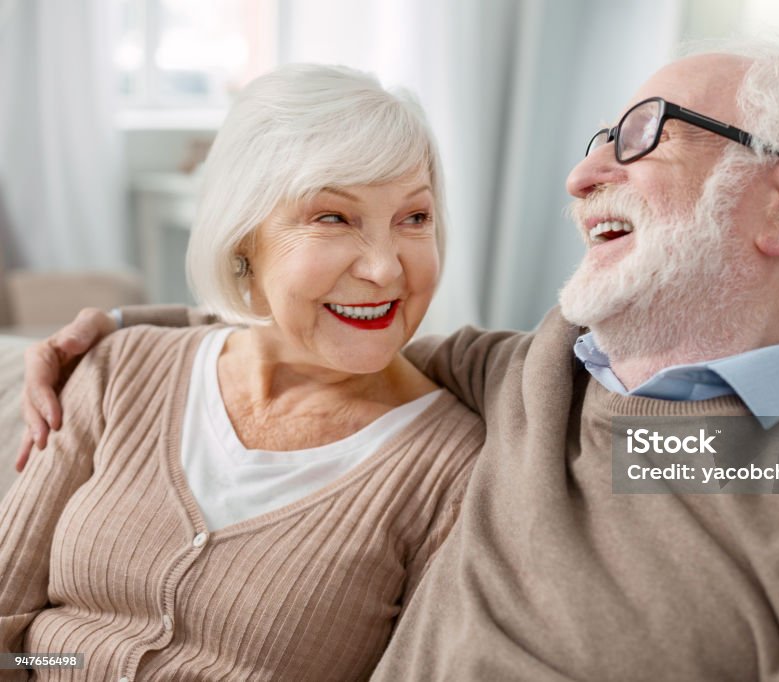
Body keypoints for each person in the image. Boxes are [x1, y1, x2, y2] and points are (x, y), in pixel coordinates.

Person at [16, 40, 779, 680]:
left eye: (640, 138)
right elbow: (317, 336)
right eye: (596, 141)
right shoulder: (538, 378)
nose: (583, 176)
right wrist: (121, 335)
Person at [0, 64, 484, 680]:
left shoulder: (453, 469)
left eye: (414, 219)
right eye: (334, 218)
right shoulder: (118, 369)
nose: (387, 270)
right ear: (242, 240)